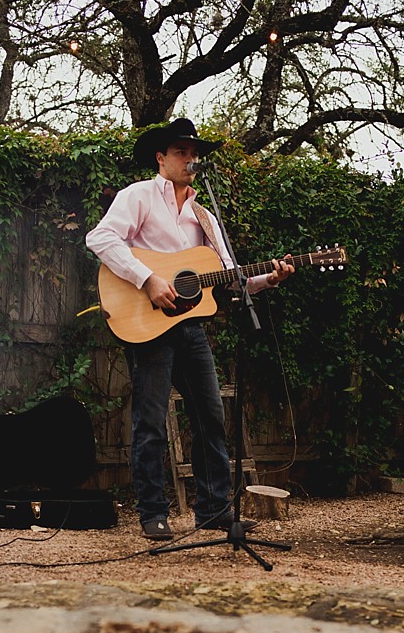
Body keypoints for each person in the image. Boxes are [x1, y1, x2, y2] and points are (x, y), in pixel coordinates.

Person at [87, 117, 293, 541]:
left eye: (194, 153)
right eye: (181, 151)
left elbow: (226, 274)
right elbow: (101, 238)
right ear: (161, 157)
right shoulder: (139, 196)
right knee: (150, 419)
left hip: (191, 326)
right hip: (147, 322)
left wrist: (266, 279)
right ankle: (152, 512)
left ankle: (214, 509)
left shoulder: (204, 214)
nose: (190, 159)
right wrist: (149, 279)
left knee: (210, 416)